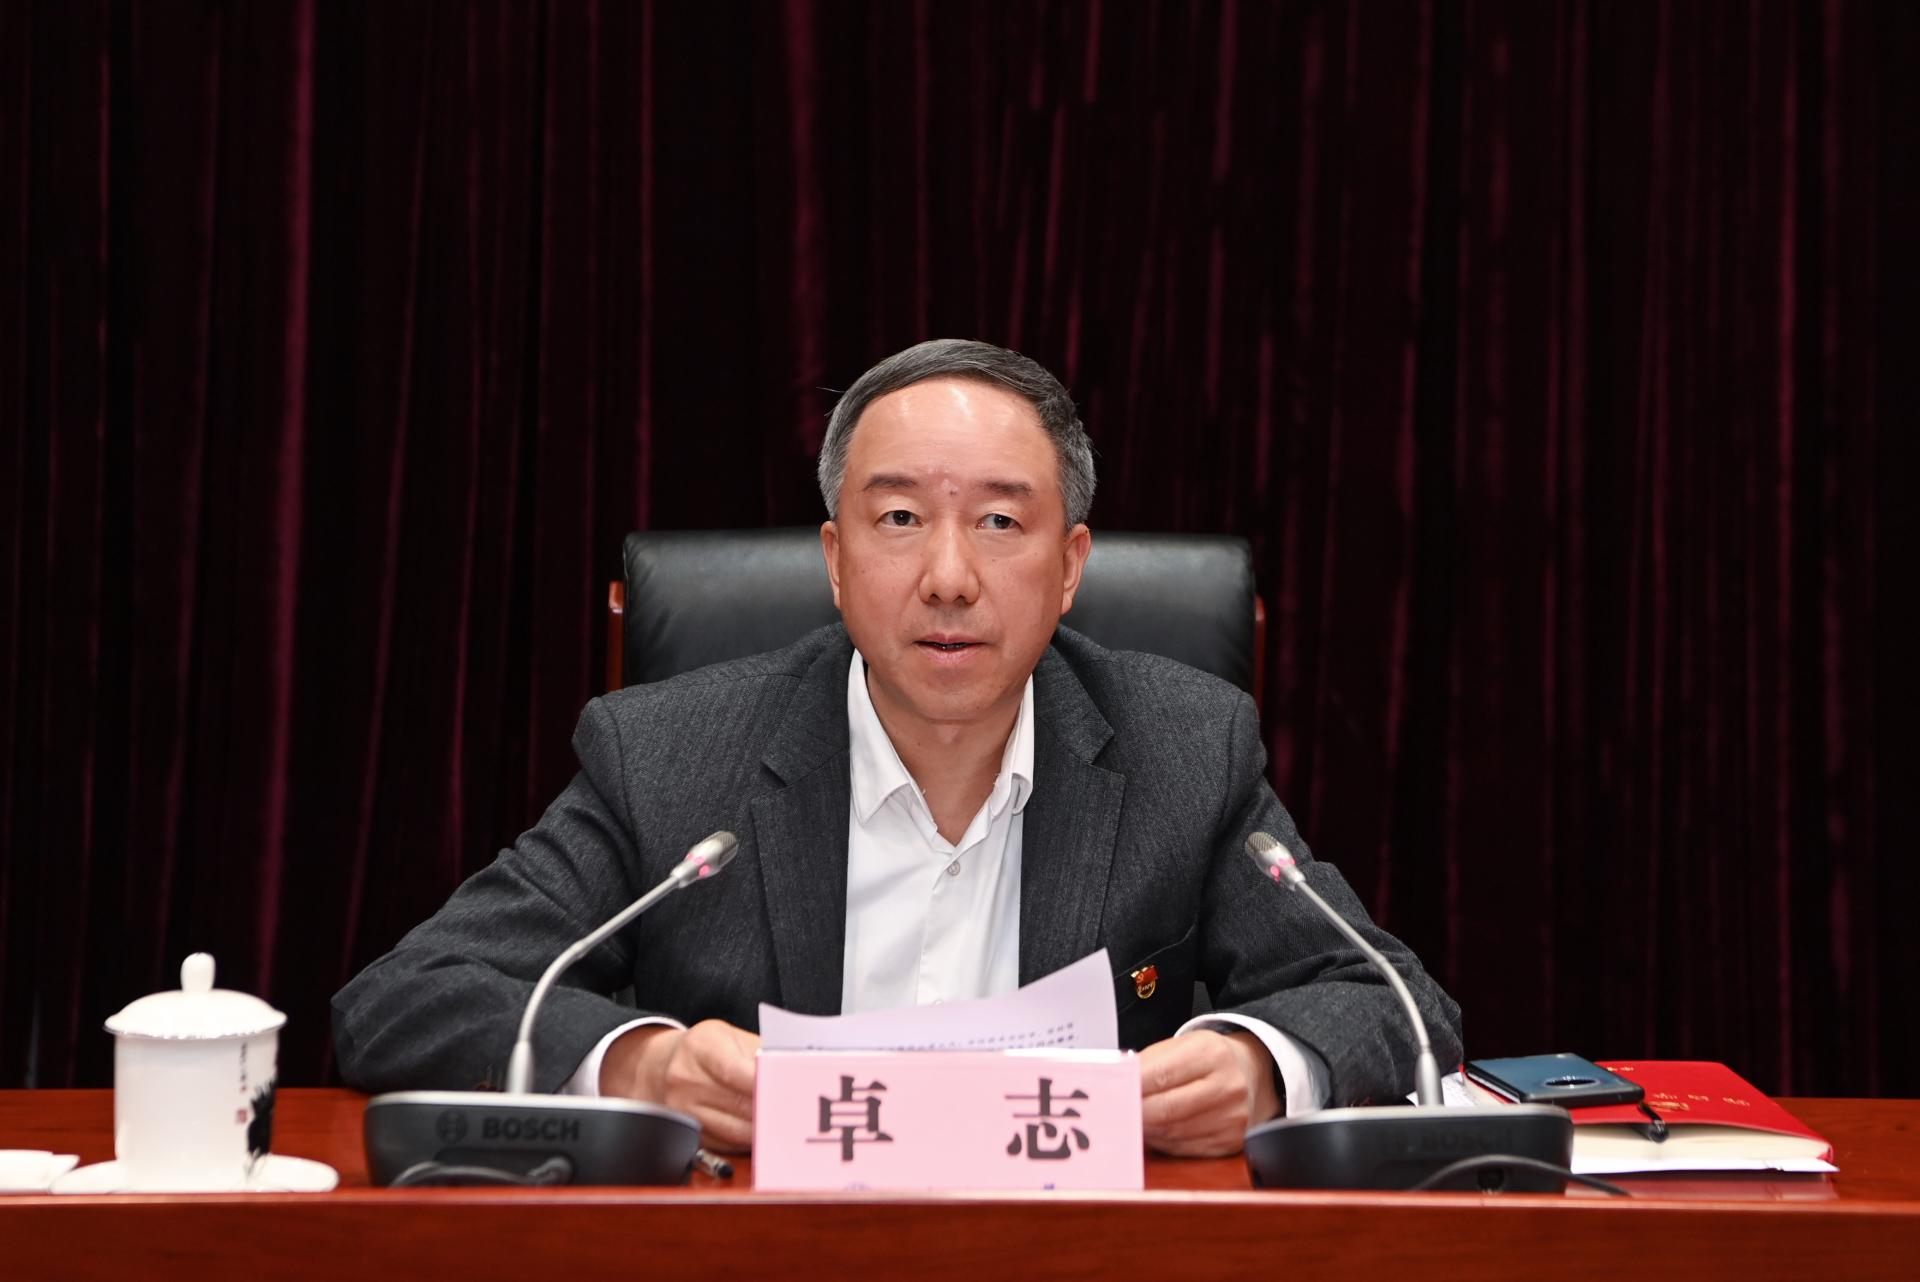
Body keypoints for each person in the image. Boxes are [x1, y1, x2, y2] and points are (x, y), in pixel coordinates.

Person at [332, 339, 1462, 1158]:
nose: (949, 578)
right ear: (835, 560)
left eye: (1001, 522)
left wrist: (1261, 1064)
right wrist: (642, 1063)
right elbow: (404, 999)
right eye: (901, 519)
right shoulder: (670, 758)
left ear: (1071, 566)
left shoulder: (1184, 748)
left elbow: (1397, 1005)